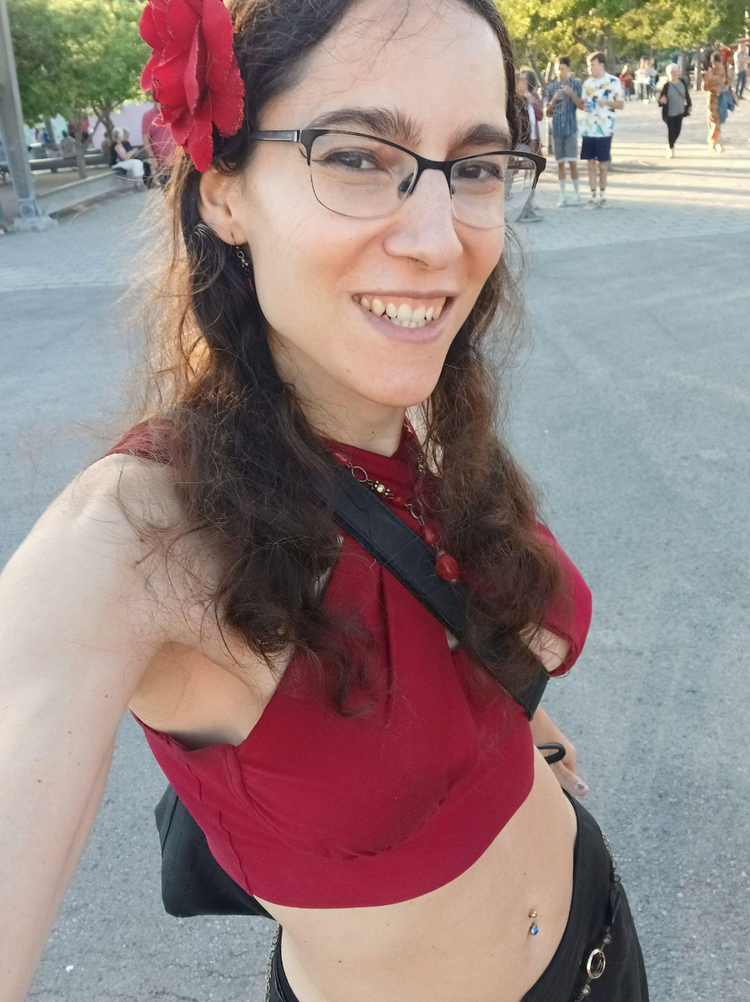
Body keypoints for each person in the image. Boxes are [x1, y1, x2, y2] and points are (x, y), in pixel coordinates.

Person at [0, 3, 651, 1002]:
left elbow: (458, 649)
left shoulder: (428, 416)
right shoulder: (133, 540)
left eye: (474, 167)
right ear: (225, 193)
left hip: (603, 937)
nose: (439, 241)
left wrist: (527, 735)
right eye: (356, 157)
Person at [572, 51, 625, 207]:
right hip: (589, 128)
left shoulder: (614, 81)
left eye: (593, 65)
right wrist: (584, 105)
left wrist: (606, 103)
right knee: (590, 163)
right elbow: (583, 105)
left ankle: (602, 195)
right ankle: (593, 195)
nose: (590, 69)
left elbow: (621, 104)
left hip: (605, 128)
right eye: (589, 66)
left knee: (602, 164)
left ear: (601, 65)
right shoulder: (588, 83)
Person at [545, 56, 583, 206]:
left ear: (568, 69)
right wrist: (554, 100)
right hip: (557, 130)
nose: (560, 72)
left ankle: (577, 194)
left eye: (563, 69)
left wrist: (571, 93)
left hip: (571, 128)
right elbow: (547, 112)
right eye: (558, 69)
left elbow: (581, 105)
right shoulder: (552, 87)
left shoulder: (576, 83)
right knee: (560, 163)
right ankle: (562, 195)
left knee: (573, 162)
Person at [515, 71, 544, 221]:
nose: (520, 83)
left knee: (532, 176)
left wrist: (531, 101)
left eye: (523, 80)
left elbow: (540, 116)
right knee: (519, 177)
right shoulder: (514, 100)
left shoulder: (534, 98)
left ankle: (528, 208)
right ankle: (520, 211)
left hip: (534, 143)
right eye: (519, 80)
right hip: (521, 144)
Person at [702, 52, 734, 153]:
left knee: (719, 120)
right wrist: (713, 88)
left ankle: (713, 142)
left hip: (723, 98)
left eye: (717, 63)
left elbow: (730, 83)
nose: (715, 65)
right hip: (712, 99)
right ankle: (717, 143)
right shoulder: (709, 72)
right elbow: (704, 87)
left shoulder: (726, 70)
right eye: (714, 63)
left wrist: (724, 87)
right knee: (715, 121)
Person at [658, 63, 691, 158]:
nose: (674, 74)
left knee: (678, 130)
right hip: (669, 112)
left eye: (675, 72)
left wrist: (689, 105)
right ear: (668, 73)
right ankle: (670, 147)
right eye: (672, 72)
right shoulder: (666, 86)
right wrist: (662, 101)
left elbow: (687, 95)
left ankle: (671, 143)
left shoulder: (682, 82)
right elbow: (661, 100)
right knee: (671, 130)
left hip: (680, 111)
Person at [141, 99, 177, 184]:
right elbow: (145, 137)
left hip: (177, 160)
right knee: (167, 190)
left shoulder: (173, 112)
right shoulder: (148, 116)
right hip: (161, 162)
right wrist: (151, 156)